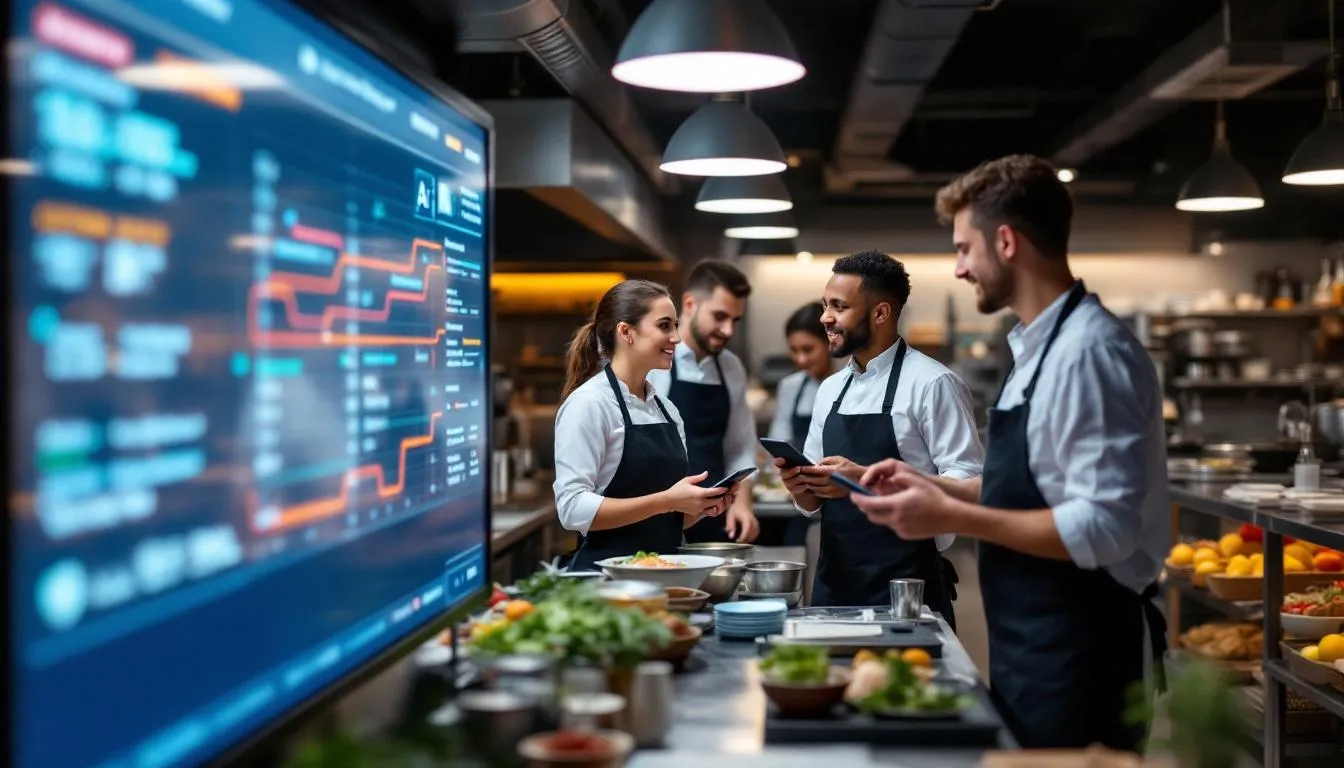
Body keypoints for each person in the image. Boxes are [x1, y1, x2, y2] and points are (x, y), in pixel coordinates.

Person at [849, 154, 1169, 751]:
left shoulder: (1089, 353)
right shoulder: (1036, 351)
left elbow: (1104, 528)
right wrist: (931, 485)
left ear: (1006, 241)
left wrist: (951, 517)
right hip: (1034, 643)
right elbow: (1031, 493)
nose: (960, 268)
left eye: (965, 248)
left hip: (1084, 651)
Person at [775, 251, 983, 622]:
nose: (826, 317)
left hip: (907, 589)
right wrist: (800, 486)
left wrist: (863, 481)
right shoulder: (831, 389)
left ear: (881, 313)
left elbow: (969, 482)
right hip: (834, 586)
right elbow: (813, 502)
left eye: (839, 307)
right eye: (826, 305)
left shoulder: (933, 384)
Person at [553, 279, 739, 571]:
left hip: (662, 576)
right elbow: (572, 510)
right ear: (626, 332)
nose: (676, 337)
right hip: (604, 584)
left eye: (676, 325)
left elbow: (665, 518)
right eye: (664, 326)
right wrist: (666, 501)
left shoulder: (666, 409)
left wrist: (701, 508)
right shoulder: (589, 403)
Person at [648, 259, 760, 544]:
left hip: (715, 519)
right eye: (719, 316)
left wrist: (742, 503)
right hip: (660, 517)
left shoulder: (731, 367)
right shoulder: (654, 361)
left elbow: (740, 445)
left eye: (735, 320)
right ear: (689, 305)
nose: (728, 330)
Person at [765, 303, 832, 546]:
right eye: (794, 350)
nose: (801, 358)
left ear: (829, 343)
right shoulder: (791, 386)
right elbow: (780, 436)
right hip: (798, 494)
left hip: (837, 493)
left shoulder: (845, 384)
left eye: (808, 349)